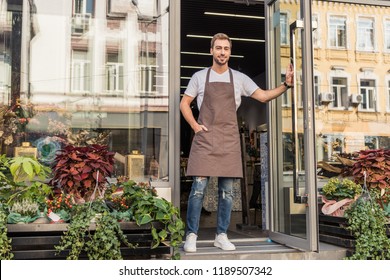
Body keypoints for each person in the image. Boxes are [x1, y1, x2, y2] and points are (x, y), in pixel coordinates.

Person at [180, 33, 294, 252]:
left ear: (230, 52)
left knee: (227, 191)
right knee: (198, 189)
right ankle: (191, 235)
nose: (222, 52)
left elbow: (262, 96)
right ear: (211, 51)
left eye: (226, 48)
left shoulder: (239, 79)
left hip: (229, 138)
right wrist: (195, 126)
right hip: (205, 138)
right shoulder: (199, 77)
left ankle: (221, 235)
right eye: (218, 48)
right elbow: (184, 104)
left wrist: (285, 86)